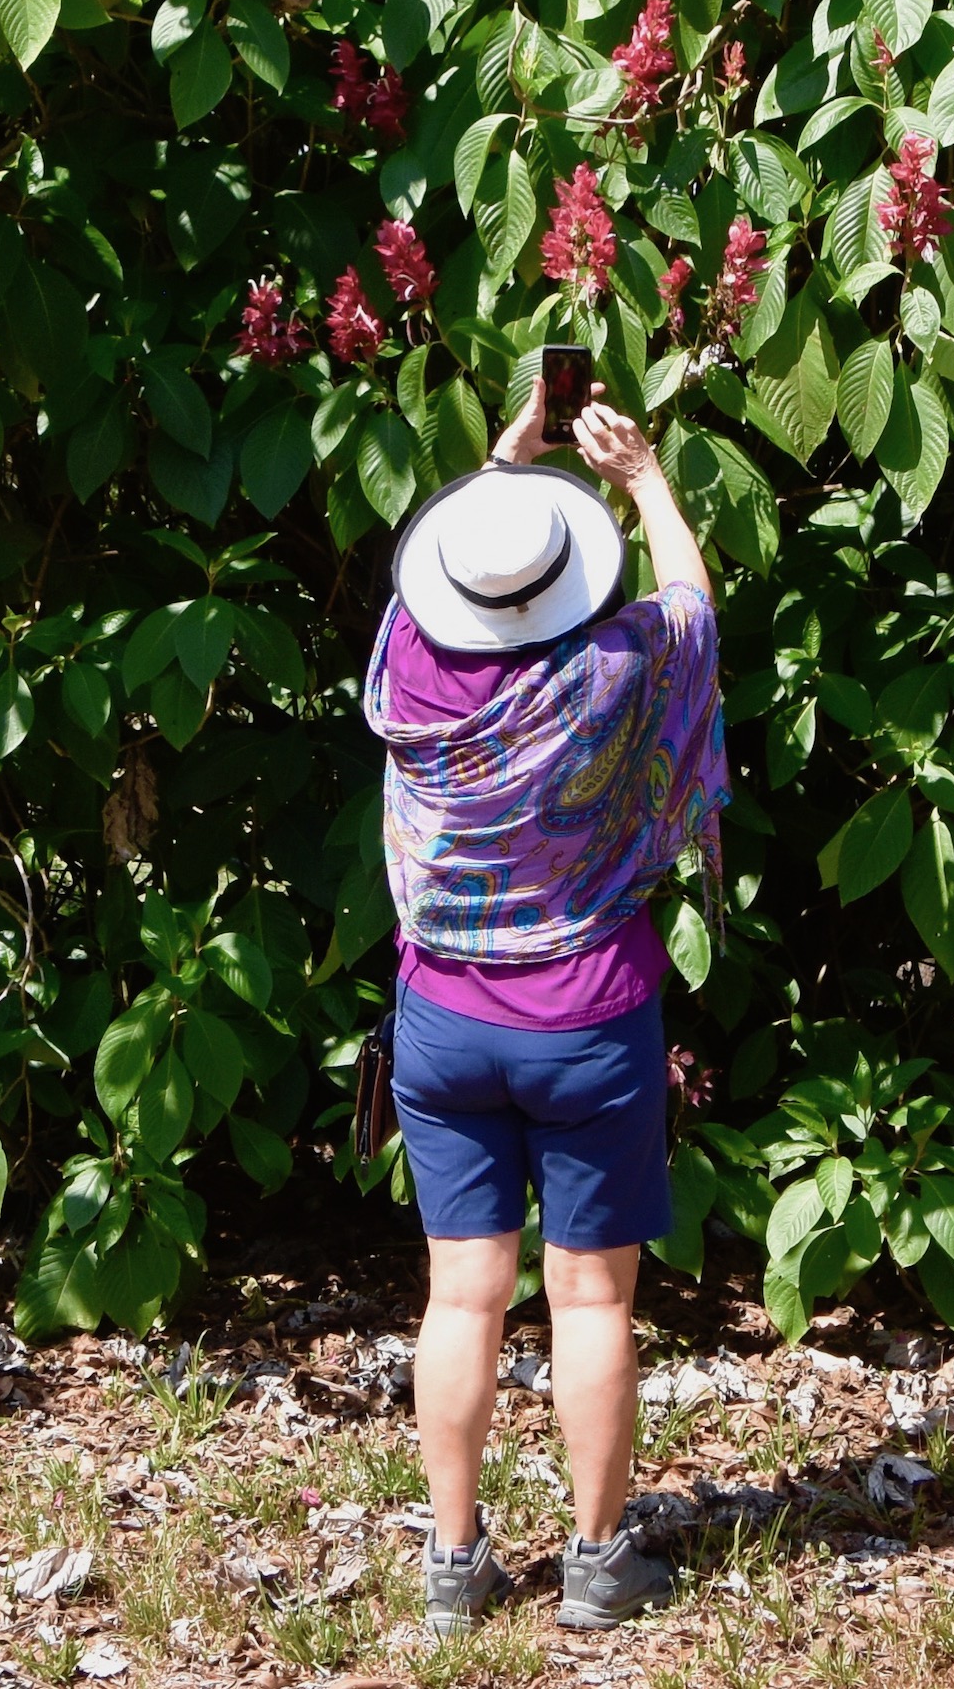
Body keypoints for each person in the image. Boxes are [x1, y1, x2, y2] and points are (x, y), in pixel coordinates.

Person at [361, 378, 725, 1636]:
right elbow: (690, 607)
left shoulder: (410, 670)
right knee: (591, 1299)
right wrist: (646, 480)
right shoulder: (617, 669)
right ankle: (596, 1559)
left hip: (442, 1020)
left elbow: (440, 585)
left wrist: (497, 469)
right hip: (586, 1018)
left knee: (460, 1295)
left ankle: (455, 1569)